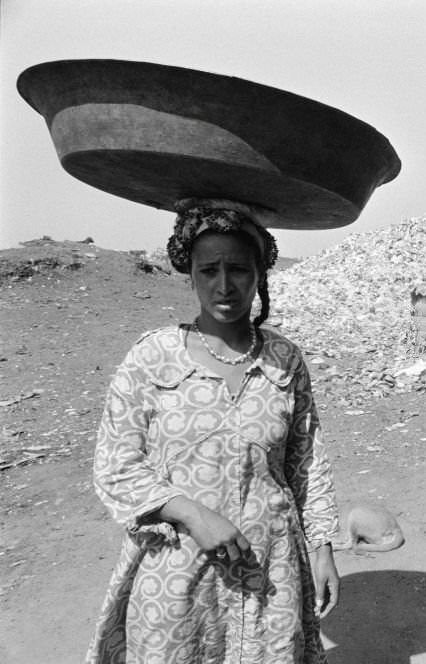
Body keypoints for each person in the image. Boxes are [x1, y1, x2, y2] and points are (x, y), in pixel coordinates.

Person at [86, 203, 341, 663]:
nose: (224, 285)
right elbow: (115, 465)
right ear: (191, 276)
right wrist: (192, 514)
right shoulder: (153, 356)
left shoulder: (285, 359)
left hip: (271, 569)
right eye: (209, 270)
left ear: (260, 274)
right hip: (177, 569)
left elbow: (307, 463)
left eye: (239, 269)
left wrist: (321, 547)